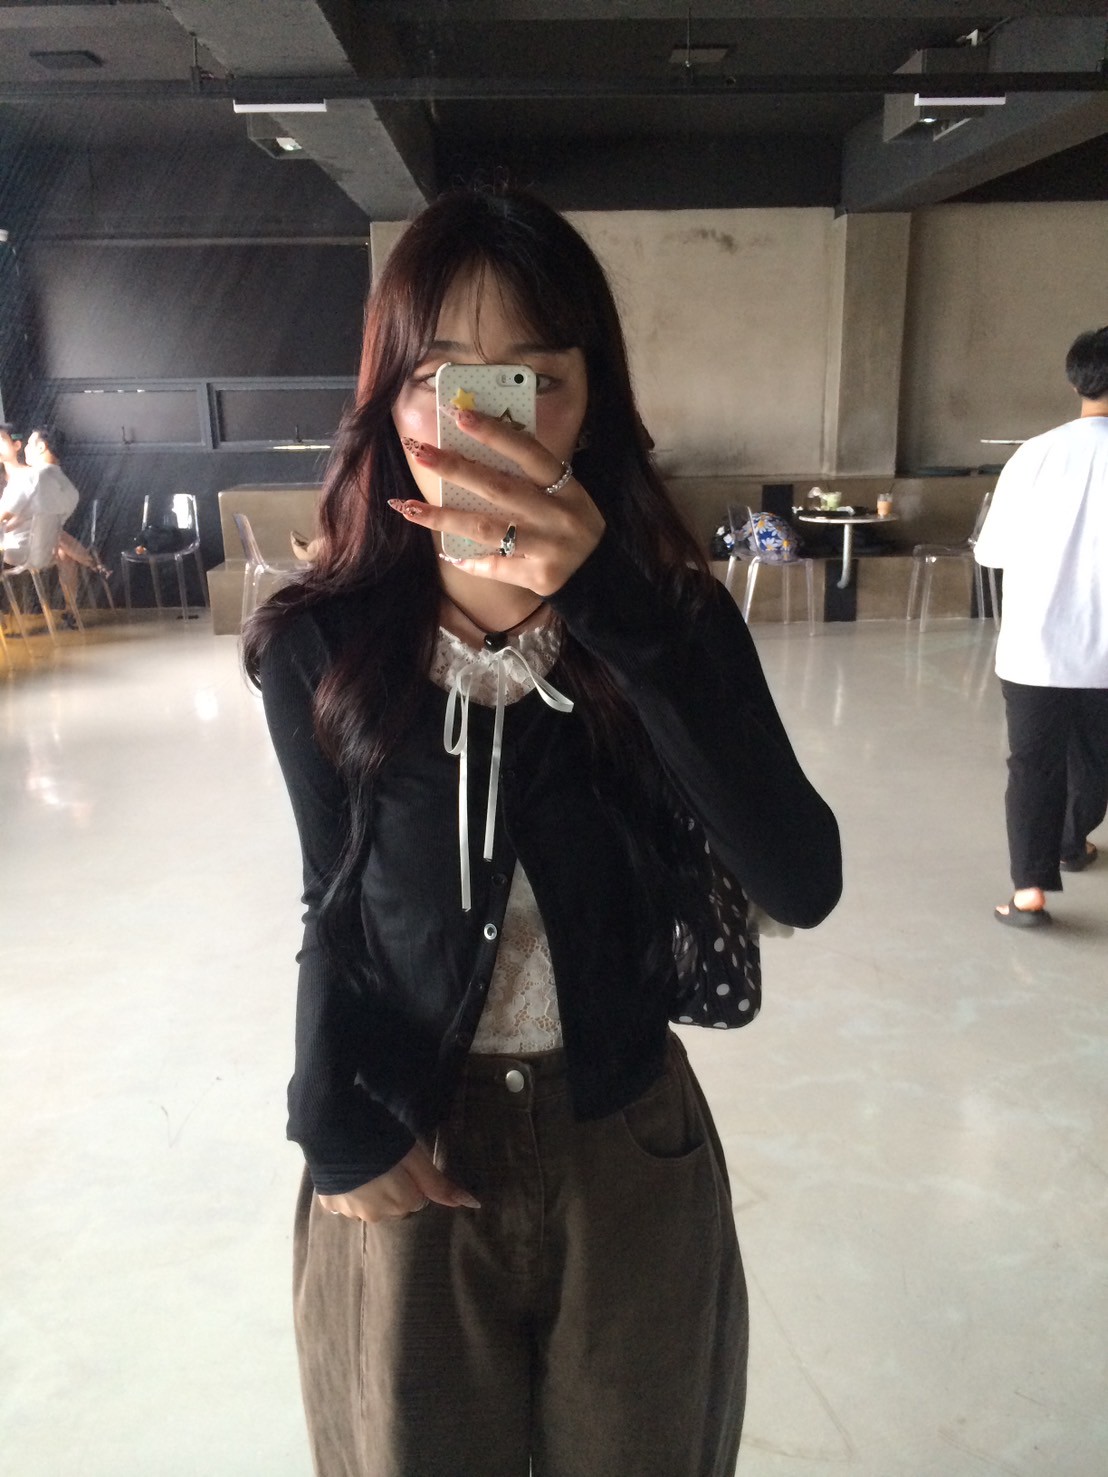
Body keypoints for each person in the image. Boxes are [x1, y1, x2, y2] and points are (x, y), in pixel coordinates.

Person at [244, 187, 841, 1477]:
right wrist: (325, 1112)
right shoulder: (317, 643)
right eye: (437, 380)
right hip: (409, 1143)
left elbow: (800, 876)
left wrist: (613, 607)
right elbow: (330, 894)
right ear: (387, 401)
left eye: (530, 380)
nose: (476, 422)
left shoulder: (671, 624)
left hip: (625, 1145)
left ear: (590, 401)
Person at [975, 326, 1108, 927]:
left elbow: (992, 552)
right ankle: (1072, 843)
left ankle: (1029, 893)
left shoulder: (1034, 455)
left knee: (1034, 764)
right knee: (1096, 757)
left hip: (1036, 648)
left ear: (1075, 381)